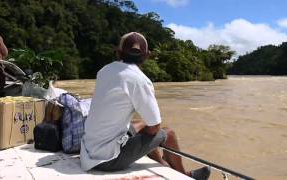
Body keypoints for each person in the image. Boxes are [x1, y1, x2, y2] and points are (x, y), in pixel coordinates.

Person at [80, 32, 211, 180]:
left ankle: (161, 163)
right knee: (168, 133)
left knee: (140, 124)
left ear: (118, 52)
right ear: (147, 55)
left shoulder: (103, 71)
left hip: (88, 150)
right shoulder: (140, 80)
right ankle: (184, 176)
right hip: (107, 161)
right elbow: (154, 126)